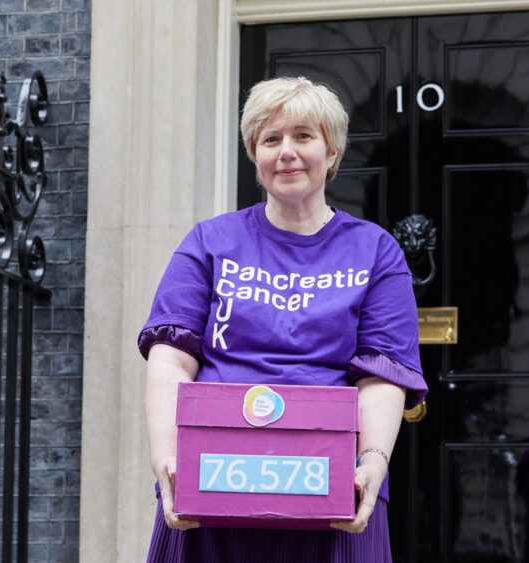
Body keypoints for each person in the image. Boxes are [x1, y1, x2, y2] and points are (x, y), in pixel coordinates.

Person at [138, 76, 428, 562]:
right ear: (255, 154)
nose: (286, 151)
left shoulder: (375, 250)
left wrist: (373, 463)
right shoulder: (209, 242)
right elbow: (171, 359)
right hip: (214, 480)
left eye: (303, 136)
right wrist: (167, 460)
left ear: (332, 152)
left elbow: (382, 371)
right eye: (270, 139)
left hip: (332, 485)